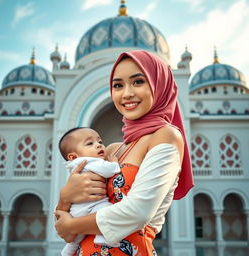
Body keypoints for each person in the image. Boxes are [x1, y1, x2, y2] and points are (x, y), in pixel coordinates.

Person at [55, 50, 194, 255]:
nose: (127, 93)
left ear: (159, 84)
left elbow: (138, 213)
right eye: (118, 85)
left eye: (138, 82)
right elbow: (63, 230)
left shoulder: (166, 136)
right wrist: (65, 198)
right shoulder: (113, 150)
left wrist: (73, 225)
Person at [58, 127, 121, 256]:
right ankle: (102, 237)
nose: (98, 145)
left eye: (100, 141)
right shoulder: (89, 162)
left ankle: (68, 251)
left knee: (75, 239)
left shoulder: (76, 165)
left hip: (77, 210)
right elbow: (108, 170)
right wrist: (114, 163)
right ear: (73, 156)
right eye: (90, 143)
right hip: (93, 205)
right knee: (106, 210)